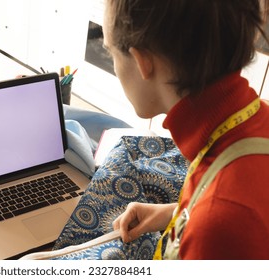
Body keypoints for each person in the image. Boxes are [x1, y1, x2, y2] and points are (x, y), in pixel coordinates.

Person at [104, 0, 269, 259]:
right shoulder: (255, 119)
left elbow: (225, 223)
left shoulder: (216, 227)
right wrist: (177, 212)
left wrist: (200, 221)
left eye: (110, 53)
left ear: (142, 61)